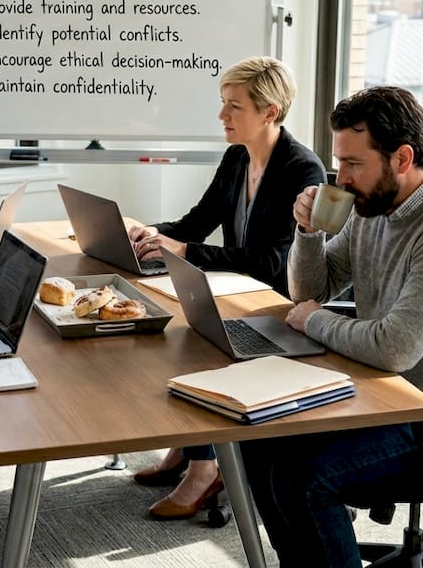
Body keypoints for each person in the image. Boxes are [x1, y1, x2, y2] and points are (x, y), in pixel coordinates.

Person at [241, 85, 423, 567]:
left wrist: (315, 321)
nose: (340, 178)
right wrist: (307, 234)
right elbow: (313, 292)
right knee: (260, 442)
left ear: (402, 158)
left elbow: (394, 349)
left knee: (306, 480)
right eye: (338, 162)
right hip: (385, 393)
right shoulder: (373, 207)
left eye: (352, 163)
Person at [126, 56, 325, 520]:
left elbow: (275, 261)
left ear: (270, 112)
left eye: (233, 106)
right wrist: (144, 232)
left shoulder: (302, 169)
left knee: (195, 342)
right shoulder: (238, 157)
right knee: (173, 327)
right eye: (223, 104)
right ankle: (187, 448)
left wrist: (187, 251)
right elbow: (196, 222)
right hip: (236, 292)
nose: (222, 116)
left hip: (277, 304)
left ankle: (204, 468)